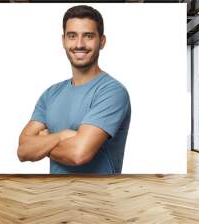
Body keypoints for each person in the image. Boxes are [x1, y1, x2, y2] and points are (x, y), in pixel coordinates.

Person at [17, 5, 131, 174]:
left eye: (89, 36)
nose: (79, 44)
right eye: (72, 36)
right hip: (55, 196)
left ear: (102, 41)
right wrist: (61, 136)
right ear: (63, 41)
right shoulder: (50, 94)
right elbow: (23, 150)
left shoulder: (112, 91)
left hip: (99, 198)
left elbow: (79, 154)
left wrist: (43, 142)